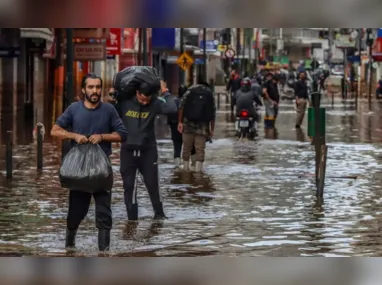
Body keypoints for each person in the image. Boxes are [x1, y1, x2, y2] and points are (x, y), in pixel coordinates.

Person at [50, 73, 128, 252]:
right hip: (78, 171)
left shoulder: (109, 110)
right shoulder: (73, 109)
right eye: (91, 87)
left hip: (101, 170)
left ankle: (104, 253)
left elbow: (122, 134)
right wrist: (74, 135)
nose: (95, 91)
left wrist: (102, 137)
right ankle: (69, 248)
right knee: (76, 213)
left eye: (98, 87)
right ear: (84, 89)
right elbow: (55, 130)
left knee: (104, 214)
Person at [114, 79, 178, 221]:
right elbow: (109, 113)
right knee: (129, 186)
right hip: (128, 151)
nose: (144, 102)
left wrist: (165, 92)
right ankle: (132, 221)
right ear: (137, 92)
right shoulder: (125, 103)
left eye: (147, 100)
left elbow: (172, 108)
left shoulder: (155, 103)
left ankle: (159, 216)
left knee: (152, 183)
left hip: (148, 151)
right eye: (141, 99)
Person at [177, 80, 216, 172]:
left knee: (186, 148)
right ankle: (199, 173)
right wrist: (212, 129)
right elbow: (213, 113)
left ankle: (186, 170)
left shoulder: (190, 90)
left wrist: (180, 122)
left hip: (188, 125)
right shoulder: (209, 93)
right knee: (200, 149)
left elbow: (181, 106)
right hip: (203, 127)